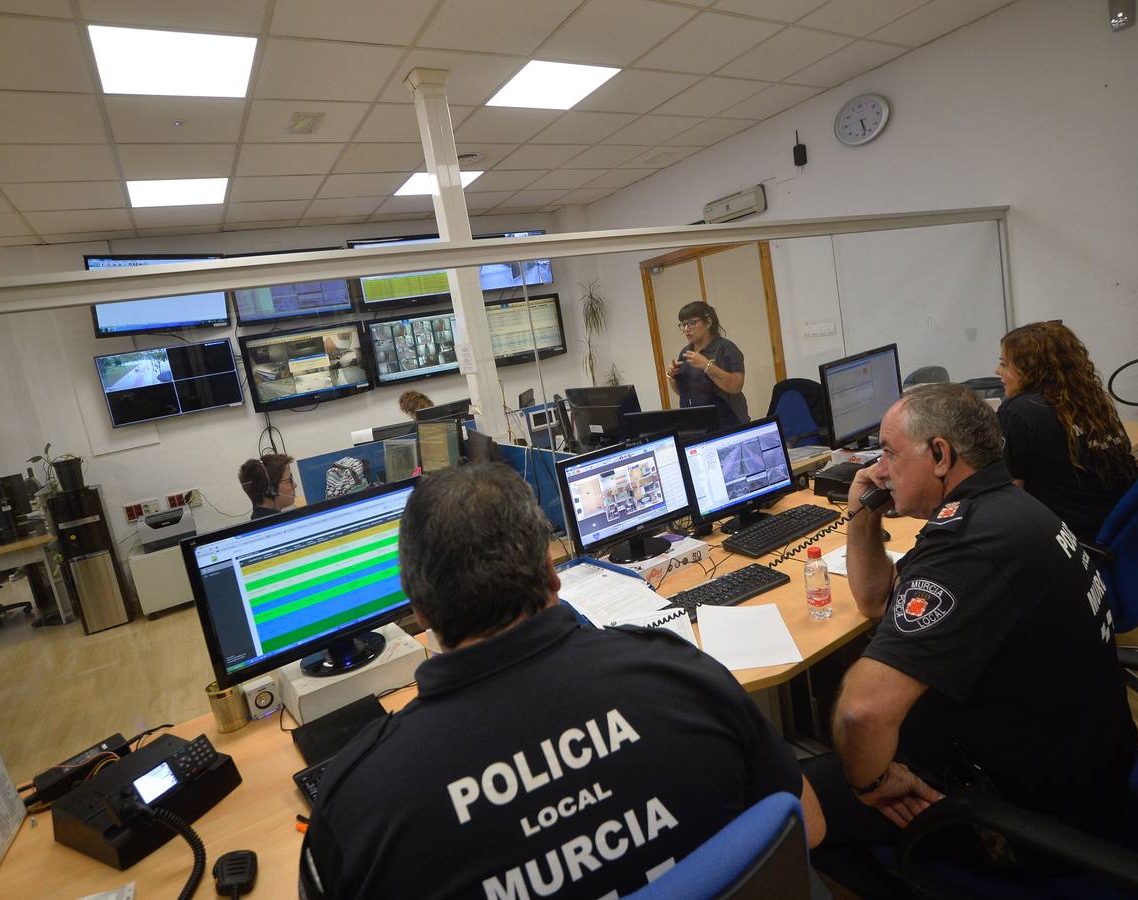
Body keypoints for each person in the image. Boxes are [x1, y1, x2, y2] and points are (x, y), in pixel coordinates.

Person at [299, 464, 824, 900]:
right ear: (553, 574)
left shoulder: (361, 802)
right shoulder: (681, 671)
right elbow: (807, 825)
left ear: (418, 611)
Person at [805, 383, 1136, 884]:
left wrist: (869, 781)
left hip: (1019, 818)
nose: (880, 469)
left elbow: (861, 711)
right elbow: (876, 601)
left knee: (792, 799)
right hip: (1077, 767)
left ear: (940, 454)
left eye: (891, 454)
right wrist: (862, 514)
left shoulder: (969, 547)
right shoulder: (1002, 509)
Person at [995, 321, 1138, 543]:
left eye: (1005, 365)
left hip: (1068, 540)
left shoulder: (1018, 412)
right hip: (1119, 525)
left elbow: (1012, 497)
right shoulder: (1090, 399)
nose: (998, 371)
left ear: (1031, 369)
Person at [665, 300, 748, 429]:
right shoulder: (685, 352)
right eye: (683, 325)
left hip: (727, 423)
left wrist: (706, 365)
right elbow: (683, 393)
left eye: (692, 323)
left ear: (708, 322)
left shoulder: (726, 348)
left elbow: (736, 385)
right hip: (695, 424)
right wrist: (671, 377)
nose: (687, 329)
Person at [237, 453, 296, 519]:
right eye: (288, 481)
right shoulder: (279, 525)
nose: (295, 485)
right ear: (272, 490)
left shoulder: (258, 519)